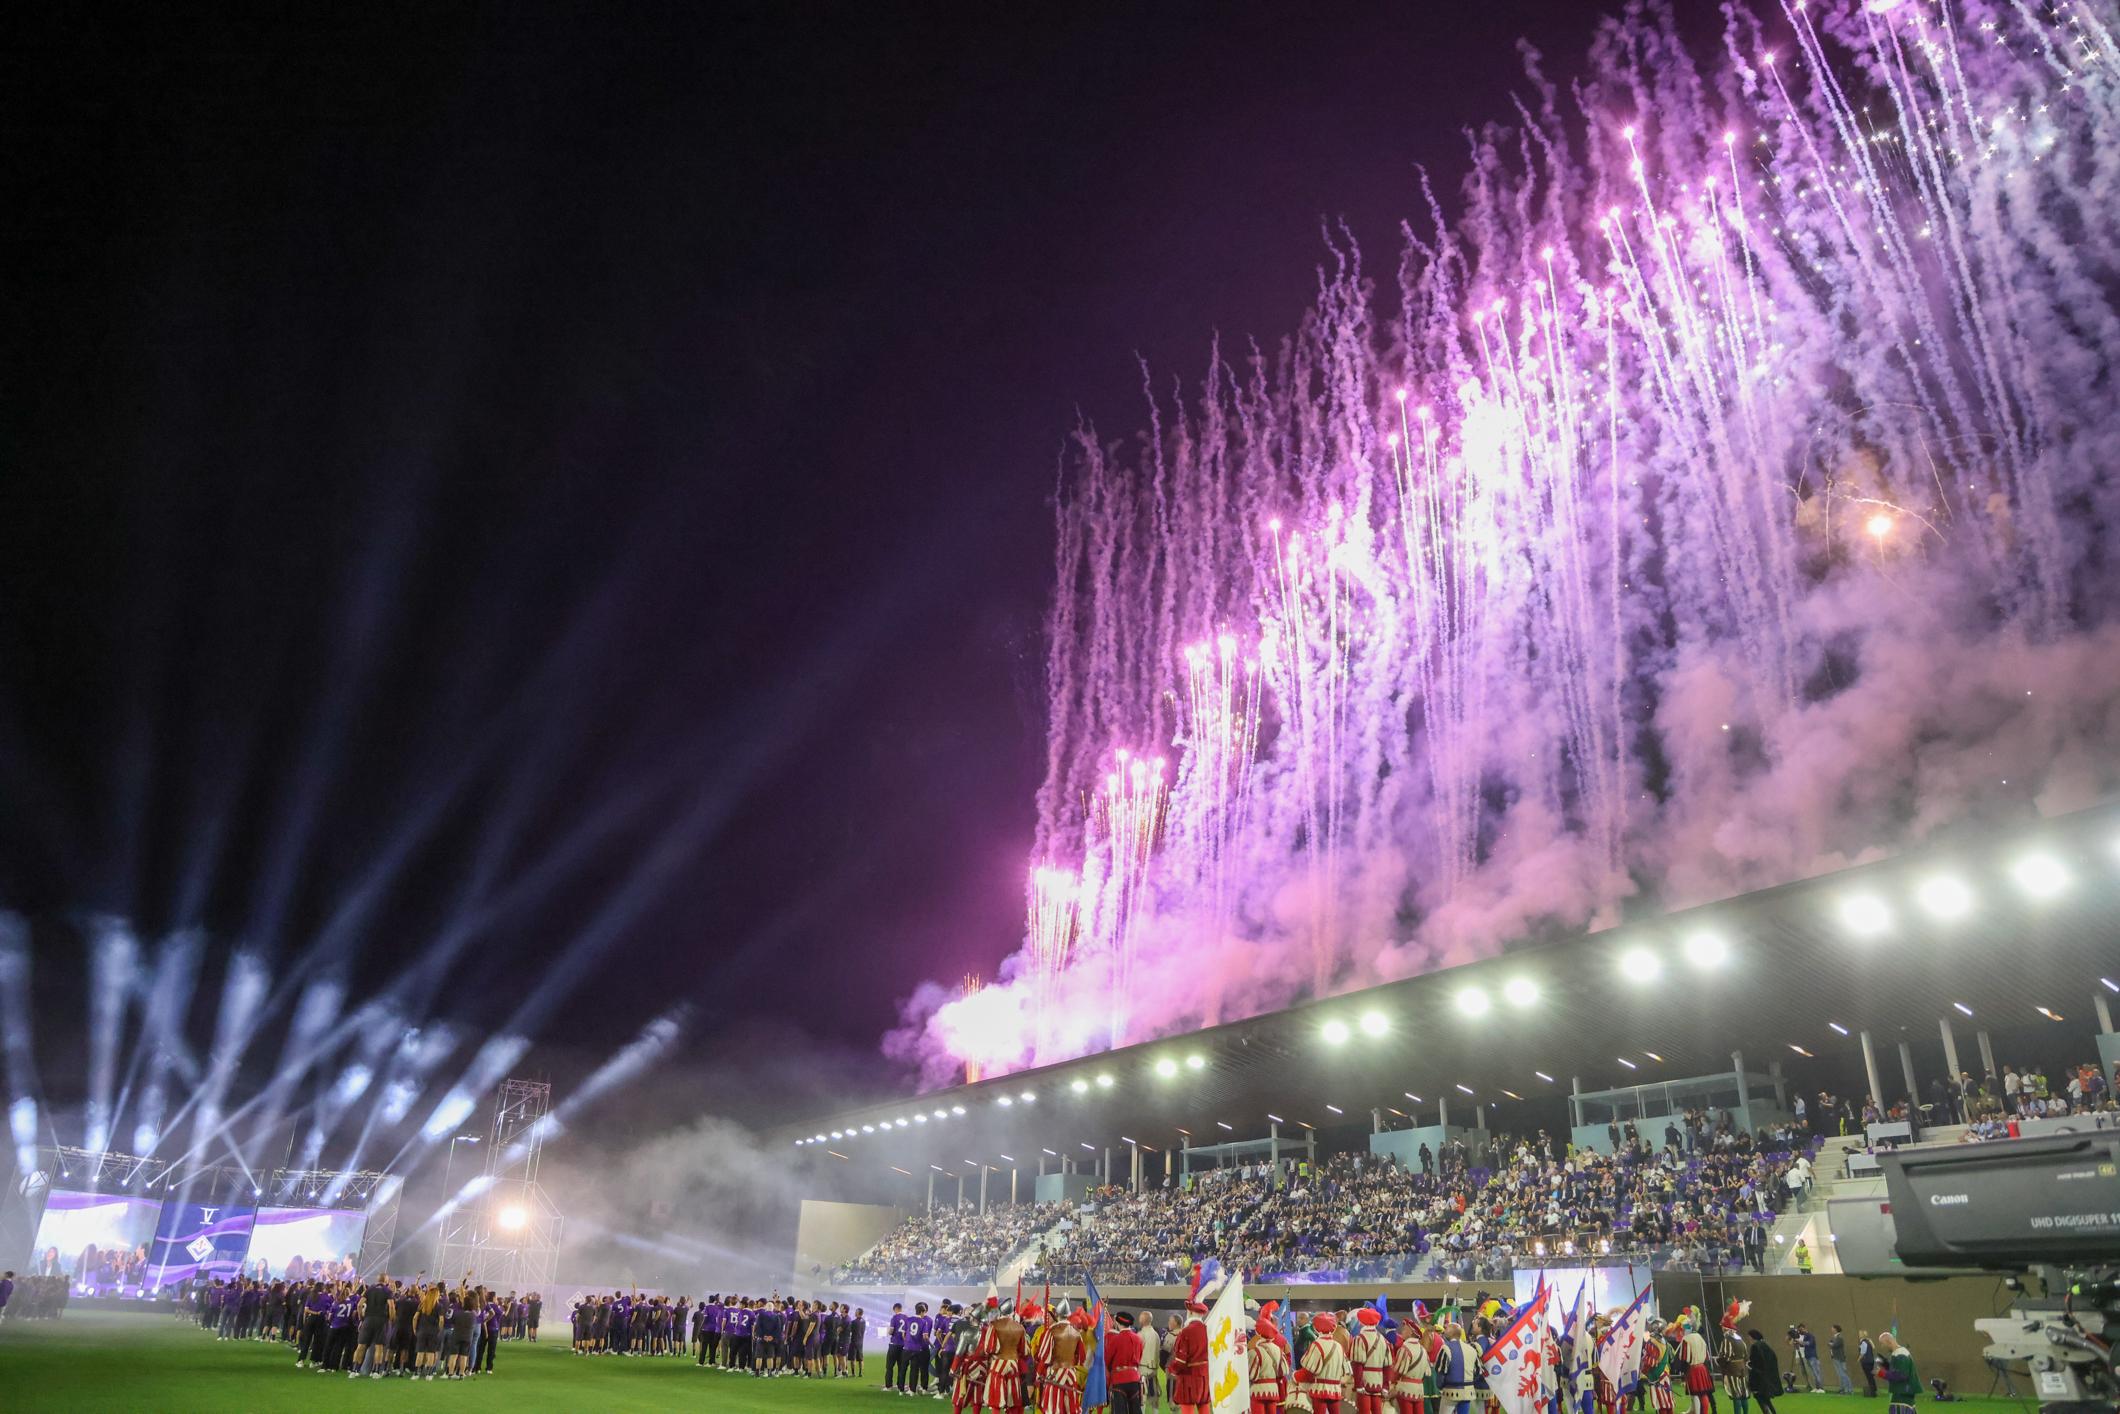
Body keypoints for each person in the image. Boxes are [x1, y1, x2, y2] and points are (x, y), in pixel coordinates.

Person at [1301, 1313, 1350, 1414]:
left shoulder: (1316, 1345)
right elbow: (1346, 1370)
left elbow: (1309, 1370)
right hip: (1335, 1389)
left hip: (1320, 1389)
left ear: (1316, 1328)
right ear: (1334, 1327)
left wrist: (1295, 1376)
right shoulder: (1338, 1347)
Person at [1249, 1305, 1288, 1413]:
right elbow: (1285, 1369)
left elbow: (1251, 1374)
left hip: (1258, 1390)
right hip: (1274, 1389)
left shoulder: (1254, 1350)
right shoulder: (1279, 1349)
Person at [1351, 1307, 1390, 1414]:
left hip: (1364, 1381)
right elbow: (1387, 1365)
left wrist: (1358, 1384)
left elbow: (1358, 1364)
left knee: (1363, 1411)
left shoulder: (1359, 1338)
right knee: (1377, 1411)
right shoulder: (1383, 1340)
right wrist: (1386, 1386)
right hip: (1378, 1382)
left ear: (1362, 1321)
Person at [1875, 1334, 1917, 1413]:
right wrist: (1885, 1364)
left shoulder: (1901, 1354)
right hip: (1903, 1394)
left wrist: (1882, 1373)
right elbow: (1897, 1370)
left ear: (1889, 1342)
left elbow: (1902, 1375)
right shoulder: (1898, 1353)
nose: (1882, 1346)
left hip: (1902, 1395)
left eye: (1882, 1343)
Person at [1745, 1331, 1780, 1414]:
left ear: (1752, 1337)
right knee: (1766, 1399)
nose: (1748, 1338)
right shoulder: (1765, 1345)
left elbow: (1755, 1362)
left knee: (1760, 1398)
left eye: (1749, 1336)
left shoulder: (1755, 1346)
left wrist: (1749, 1365)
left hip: (1758, 1378)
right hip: (1766, 1377)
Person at [1828, 1326, 1851, 1394]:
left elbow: (1834, 1345)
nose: (1831, 1329)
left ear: (1836, 1329)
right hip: (1836, 1358)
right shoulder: (1835, 1337)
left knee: (1843, 1374)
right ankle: (1842, 1389)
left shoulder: (1839, 1337)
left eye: (1832, 1328)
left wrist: (1830, 1344)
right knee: (1840, 1375)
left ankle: (1848, 1389)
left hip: (1839, 1358)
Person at [1856, 1331, 1877, 1398]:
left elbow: (1863, 1353)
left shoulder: (1863, 1342)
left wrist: (1858, 1359)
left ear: (1862, 1335)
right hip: (1871, 1361)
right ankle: (1874, 1389)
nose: (1859, 1335)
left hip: (1866, 1361)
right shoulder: (1869, 1341)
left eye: (1859, 1334)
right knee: (1871, 1376)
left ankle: (1872, 1392)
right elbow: (1873, 1347)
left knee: (1869, 1376)